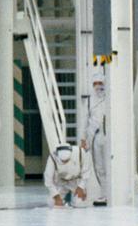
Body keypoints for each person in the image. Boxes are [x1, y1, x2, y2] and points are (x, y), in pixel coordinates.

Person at [84, 68, 107, 206]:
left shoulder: (110, 99)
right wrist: (85, 139)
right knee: (99, 167)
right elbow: (87, 122)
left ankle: (111, 193)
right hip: (95, 137)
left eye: (100, 83)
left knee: (110, 166)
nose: (98, 86)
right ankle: (104, 194)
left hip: (108, 136)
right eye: (95, 83)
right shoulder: (90, 101)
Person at [44, 142, 88, 207]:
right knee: (52, 203)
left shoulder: (80, 152)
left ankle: (74, 200)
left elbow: (86, 172)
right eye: (63, 161)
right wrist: (56, 197)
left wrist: (81, 187)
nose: (65, 162)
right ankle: (63, 201)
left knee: (80, 203)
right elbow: (48, 180)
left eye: (67, 160)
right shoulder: (52, 158)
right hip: (61, 182)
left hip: (76, 181)